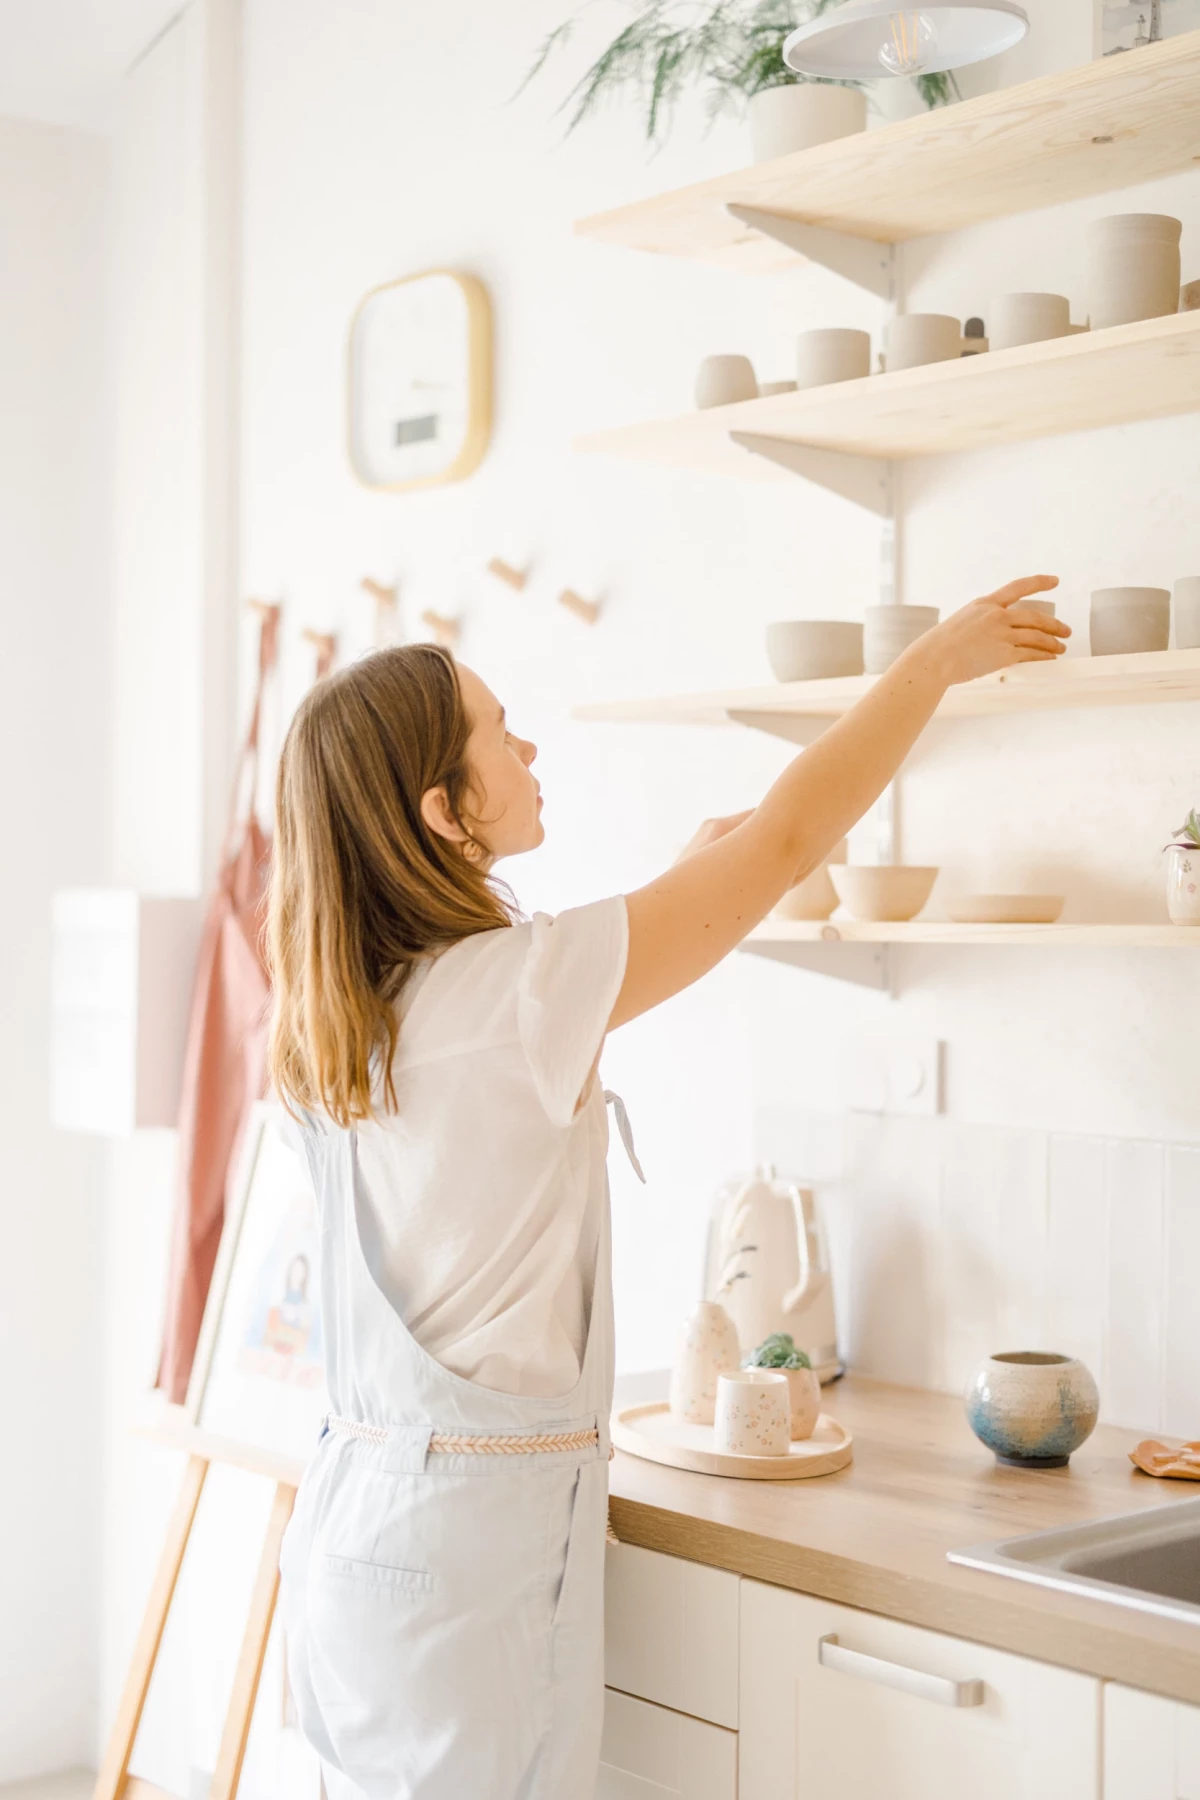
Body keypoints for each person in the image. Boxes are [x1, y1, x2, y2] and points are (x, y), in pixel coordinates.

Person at [268, 574, 1064, 1799]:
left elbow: (514, 1068)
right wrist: (936, 664)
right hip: (470, 1571)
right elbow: (788, 843)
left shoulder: (345, 1024)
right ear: (441, 810)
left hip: (357, 1540)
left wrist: (714, 870)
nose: (528, 746)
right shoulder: (519, 994)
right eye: (498, 731)